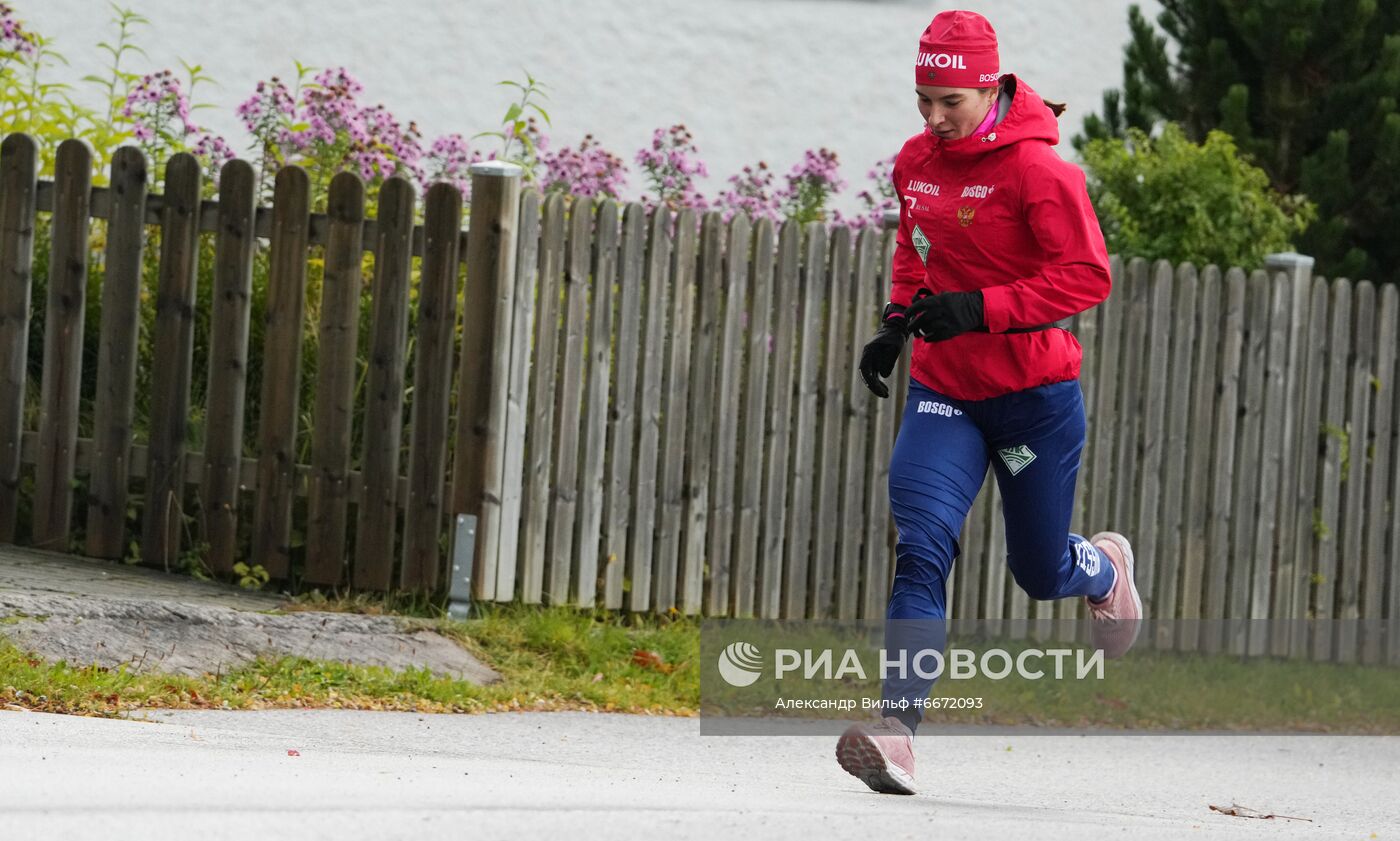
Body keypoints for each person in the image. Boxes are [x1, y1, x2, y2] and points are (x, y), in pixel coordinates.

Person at [835, 10, 1143, 796]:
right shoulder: (917, 162)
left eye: (950, 102)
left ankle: (1102, 566)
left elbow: (1087, 275)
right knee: (921, 543)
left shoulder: (1042, 173)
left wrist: (982, 308)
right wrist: (896, 324)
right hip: (945, 392)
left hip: (1034, 398)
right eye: (922, 101)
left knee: (1039, 571)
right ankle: (896, 732)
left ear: (989, 86)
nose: (934, 119)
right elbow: (916, 248)